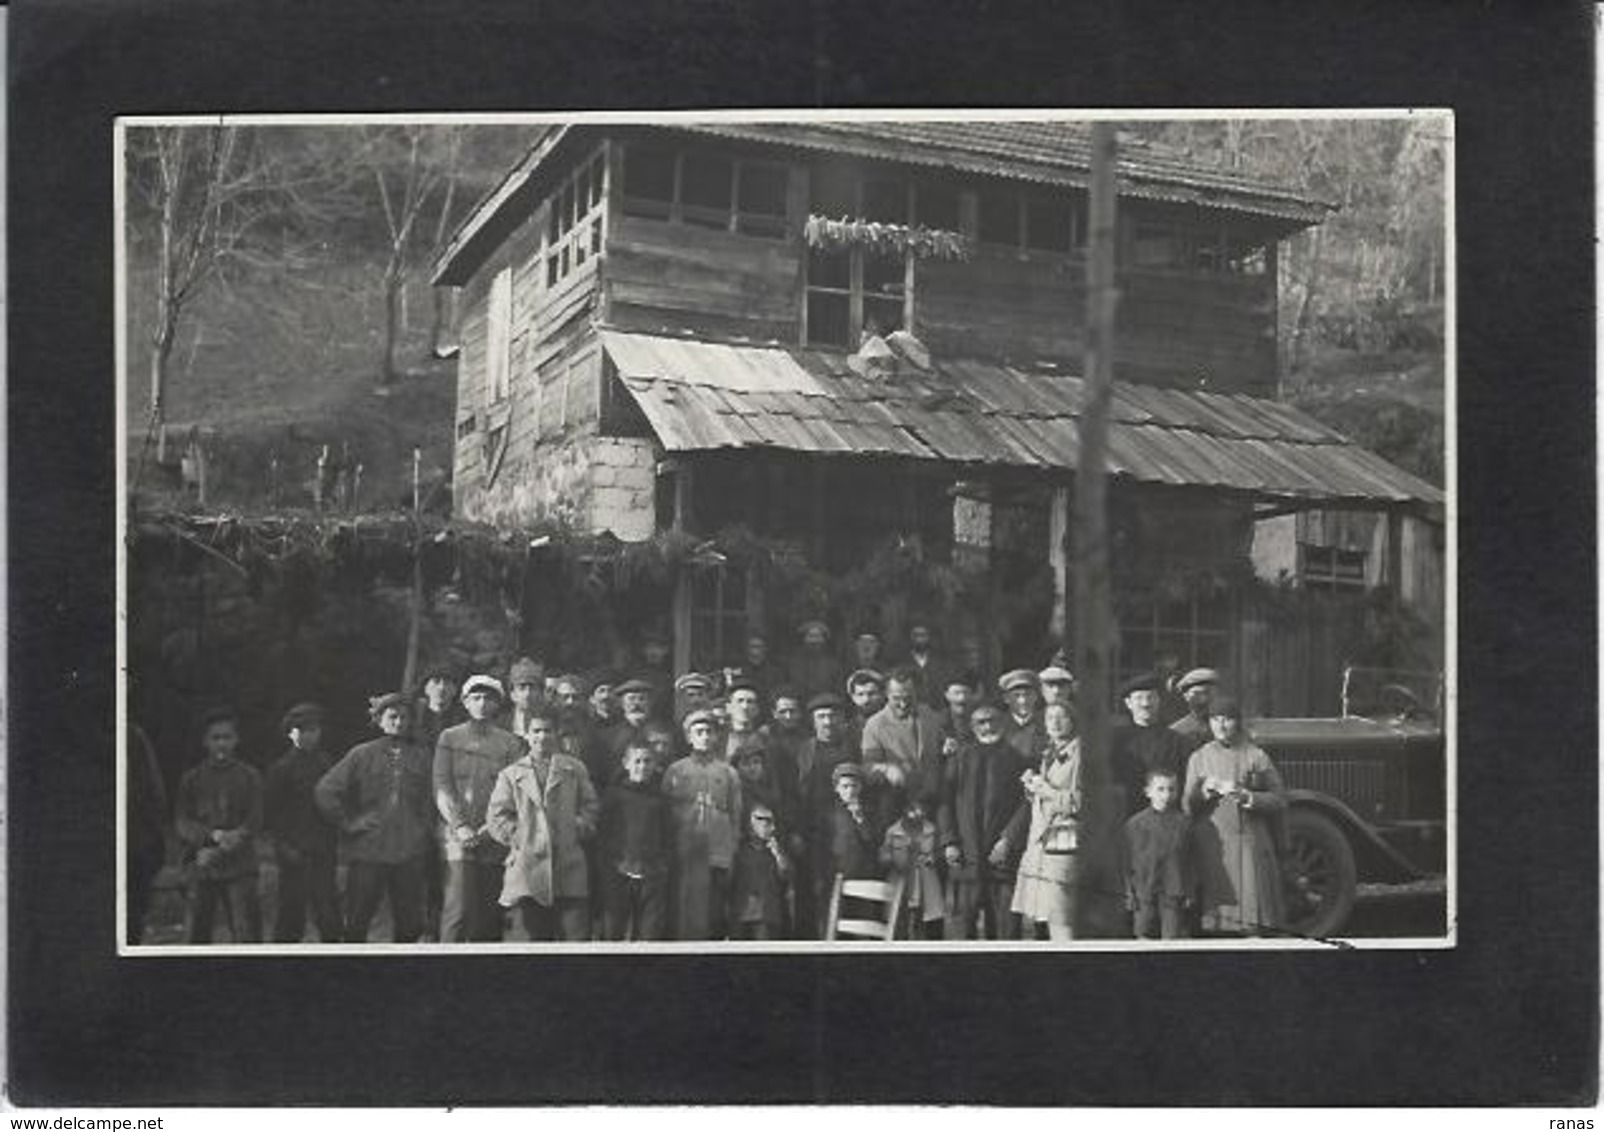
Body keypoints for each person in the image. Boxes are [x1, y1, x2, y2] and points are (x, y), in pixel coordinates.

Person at [315, 692, 434, 943]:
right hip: (369, 850)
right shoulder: (361, 754)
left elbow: (432, 798)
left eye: (404, 717)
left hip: (409, 851)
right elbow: (326, 790)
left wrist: (423, 829)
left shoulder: (423, 756)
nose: (399, 723)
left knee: (409, 924)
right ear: (379, 720)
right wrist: (348, 822)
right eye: (392, 717)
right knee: (358, 920)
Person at [485, 708, 599, 942]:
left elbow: (591, 805)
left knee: (575, 939)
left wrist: (580, 825)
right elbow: (496, 816)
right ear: (526, 735)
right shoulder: (511, 774)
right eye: (536, 731)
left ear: (557, 734)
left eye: (548, 731)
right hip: (527, 868)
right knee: (530, 941)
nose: (542, 737)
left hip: (568, 864)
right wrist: (519, 836)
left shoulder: (574, 769)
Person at [1184, 696, 1287, 937]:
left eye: (1227, 720)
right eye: (1215, 720)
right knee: (1217, 920)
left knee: (1252, 919)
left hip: (1249, 843)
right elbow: (1186, 805)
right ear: (1209, 723)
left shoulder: (1255, 756)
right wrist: (1203, 793)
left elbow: (1280, 799)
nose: (1221, 726)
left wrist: (1250, 797)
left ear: (1237, 723)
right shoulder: (1199, 758)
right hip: (1213, 847)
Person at [433, 674, 524, 943]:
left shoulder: (510, 743)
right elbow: (441, 784)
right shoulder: (449, 737)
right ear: (464, 702)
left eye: (488, 698)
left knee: (488, 915)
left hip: (494, 836)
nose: (482, 703)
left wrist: (490, 829)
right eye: (475, 697)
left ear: (497, 704)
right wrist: (459, 826)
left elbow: (515, 791)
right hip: (456, 837)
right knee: (458, 909)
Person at [174, 706, 263, 944]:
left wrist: (230, 842)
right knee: (197, 935)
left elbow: (256, 819)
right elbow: (182, 821)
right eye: (215, 738)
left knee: (247, 933)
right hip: (202, 865)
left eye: (227, 737)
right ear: (205, 742)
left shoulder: (250, 776)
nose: (221, 744)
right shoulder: (191, 779)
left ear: (237, 740)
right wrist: (211, 836)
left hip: (240, 865)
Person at [938, 704, 1025, 940]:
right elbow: (944, 801)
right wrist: (949, 841)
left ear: (1003, 723)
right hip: (967, 855)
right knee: (962, 929)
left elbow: (1025, 804)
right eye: (981, 722)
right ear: (972, 726)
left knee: (1006, 932)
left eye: (993, 721)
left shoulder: (1016, 758)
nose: (988, 727)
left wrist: (1008, 839)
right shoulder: (960, 757)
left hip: (1002, 858)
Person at [661, 708, 744, 940]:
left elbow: (736, 813)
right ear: (689, 737)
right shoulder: (676, 771)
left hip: (717, 851)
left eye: (709, 731)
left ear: (717, 736)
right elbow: (665, 814)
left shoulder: (728, 773)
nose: (705, 736)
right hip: (685, 850)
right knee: (684, 912)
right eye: (699, 732)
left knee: (714, 913)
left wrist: (732, 848)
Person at [263, 702, 342, 943]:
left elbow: (336, 801)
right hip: (293, 850)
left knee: (327, 912)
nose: (309, 735)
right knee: (291, 914)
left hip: (323, 849)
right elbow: (271, 814)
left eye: (314, 729)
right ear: (290, 733)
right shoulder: (281, 768)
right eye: (302, 730)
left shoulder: (326, 763)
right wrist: (284, 846)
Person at [1010, 701, 1085, 941]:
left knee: (1062, 915)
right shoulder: (1049, 751)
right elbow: (1045, 799)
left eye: (1062, 716)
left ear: (1073, 721)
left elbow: (1086, 803)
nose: (1054, 722)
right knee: (1044, 915)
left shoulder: (1082, 754)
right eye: (1050, 717)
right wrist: (1033, 788)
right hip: (1044, 844)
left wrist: (1048, 791)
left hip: (1066, 843)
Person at [790, 693, 857, 937]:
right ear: (813, 720)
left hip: (844, 829)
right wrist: (796, 831)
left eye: (832, 716)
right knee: (812, 890)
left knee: (844, 888)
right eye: (821, 716)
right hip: (812, 831)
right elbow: (794, 794)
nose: (827, 722)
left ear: (841, 719)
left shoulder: (853, 748)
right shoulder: (804, 751)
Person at [597, 743, 671, 941]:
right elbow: (602, 835)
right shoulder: (613, 796)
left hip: (652, 875)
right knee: (613, 932)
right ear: (626, 764)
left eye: (648, 761)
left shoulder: (660, 800)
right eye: (637, 761)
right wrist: (610, 866)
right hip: (618, 873)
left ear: (655, 765)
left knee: (650, 935)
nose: (642, 766)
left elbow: (667, 836)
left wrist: (662, 866)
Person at [858, 668, 944, 828]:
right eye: (897, 698)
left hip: (934, 804)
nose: (903, 704)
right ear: (886, 694)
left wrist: (948, 744)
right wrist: (885, 769)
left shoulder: (931, 716)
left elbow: (942, 746)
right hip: (898, 806)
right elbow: (867, 767)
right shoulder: (875, 725)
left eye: (908, 698)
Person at [1122, 768, 1197, 940]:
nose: (1167, 795)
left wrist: (1190, 891)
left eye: (1171, 789)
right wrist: (1129, 892)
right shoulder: (1134, 824)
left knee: (1172, 937)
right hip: (1144, 891)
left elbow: (1191, 861)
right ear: (1148, 792)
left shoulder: (1184, 823)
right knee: (1144, 933)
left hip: (1173, 891)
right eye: (1160, 789)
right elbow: (1125, 862)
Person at [1111, 672, 1194, 818]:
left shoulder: (1177, 741)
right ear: (1128, 703)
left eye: (1151, 697)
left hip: (1168, 818)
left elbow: (1186, 784)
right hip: (1126, 818)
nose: (1145, 703)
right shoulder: (1115, 742)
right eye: (1139, 698)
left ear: (1159, 701)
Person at [126, 723, 169, 946]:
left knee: (132, 918)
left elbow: (153, 796)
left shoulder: (132, 737)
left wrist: (153, 842)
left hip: (133, 846)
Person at [880, 797, 945, 939]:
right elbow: (883, 855)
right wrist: (890, 859)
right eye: (912, 809)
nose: (916, 813)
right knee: (899, 921)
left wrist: (932, 858)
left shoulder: (932, 830)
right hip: (901, 883)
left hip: (927, 884)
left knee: (929, 924)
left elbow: (940, 855)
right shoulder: (892, 832)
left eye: (920, 808)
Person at [728, 803, 791, 940]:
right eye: (766, 822)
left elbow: (785, 876)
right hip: (741, 915)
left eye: (773, 822)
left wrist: (778, 854)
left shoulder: (775, 852)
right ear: (752, 824)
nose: (772, 828)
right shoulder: (739, 852)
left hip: (767, 916)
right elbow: (730, 882)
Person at [821, 762, 880, 887]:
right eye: (845, 786)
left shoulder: (870, 812)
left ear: (861, 787)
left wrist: (860, 819)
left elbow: (874, 844)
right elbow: (821, 847)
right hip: (835, 874)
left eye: (854, 786)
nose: (850, 791)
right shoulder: (828, 813)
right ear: (836, 788)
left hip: (862, 875)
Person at [787, 619, 843, 704]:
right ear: (804, 639)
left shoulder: (833, 664)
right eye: (810, 636)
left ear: (824, 639)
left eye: (818, 636)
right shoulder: (793, 662)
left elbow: (838, 689)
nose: (814, 640)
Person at [999, 669, 1044, 764]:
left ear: (1036, 697)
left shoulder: (1046, 723)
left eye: (1028, 695)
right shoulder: (998, 724)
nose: (1023, 701)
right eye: (1016, 696)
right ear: (1006, 699)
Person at [1170, 668, 1222, 750]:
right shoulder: (1176, 732)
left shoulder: (1228, 727)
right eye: (1197, 693)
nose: (1204, 699)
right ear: (1186, 696)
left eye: (1209, 692)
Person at [723, 677, 767, 764]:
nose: (745, 707)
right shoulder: (720, 739)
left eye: (750, 701)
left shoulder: (764, 739)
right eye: (739, 701)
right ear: (729, 707)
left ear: (757, 709)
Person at [505, 656, 548, 737]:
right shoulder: (499, 724)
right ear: (512, 694)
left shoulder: (552, 724)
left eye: (533, 688)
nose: (528, 694)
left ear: (541, 693)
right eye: (522, 688)